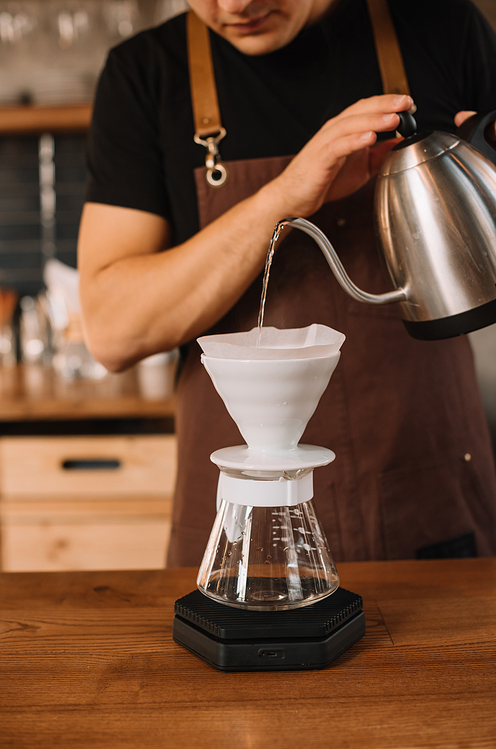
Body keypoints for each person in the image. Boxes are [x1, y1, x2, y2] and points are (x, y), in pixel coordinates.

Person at [78, 0, 496, 566]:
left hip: (429, 501)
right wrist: (287, 194)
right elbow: (112, 331)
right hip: (241, 524)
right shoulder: (146, 73)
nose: (234, 5)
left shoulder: (443, 28)